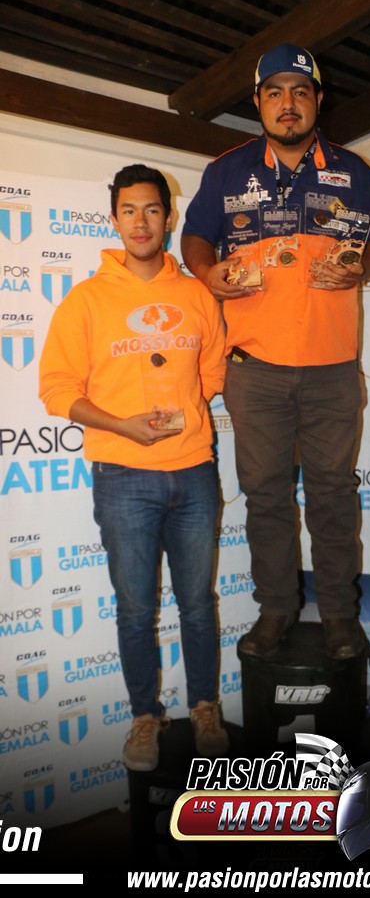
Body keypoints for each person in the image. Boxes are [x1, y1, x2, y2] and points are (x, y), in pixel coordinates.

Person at [181, 43, 370, 661]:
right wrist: (207, 273)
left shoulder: (355, 172)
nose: (288, 103)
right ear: (258, 102)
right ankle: (275, 610)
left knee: (333, 497)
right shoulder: (226, 171)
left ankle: (340, 616)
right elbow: (195, 236)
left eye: (300, 91)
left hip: (332, 368)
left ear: (318, 100)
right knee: (267, 499)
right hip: (255, 370)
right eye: (274, 93)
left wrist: (361, 266)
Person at [39, 164, 229, 772]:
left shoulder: (196, 295)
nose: (141, 222)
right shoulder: (86, 300)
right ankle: (145, 717)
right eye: (129, 211)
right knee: (136, 610)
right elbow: (56, 389)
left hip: (194, 471)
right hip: (122, 475)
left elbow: (213, 373)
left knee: (197, 603)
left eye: (151, 210)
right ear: (114, 219)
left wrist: (184, 414)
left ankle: (205, 708)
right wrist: (122, 425)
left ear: (168, 218)